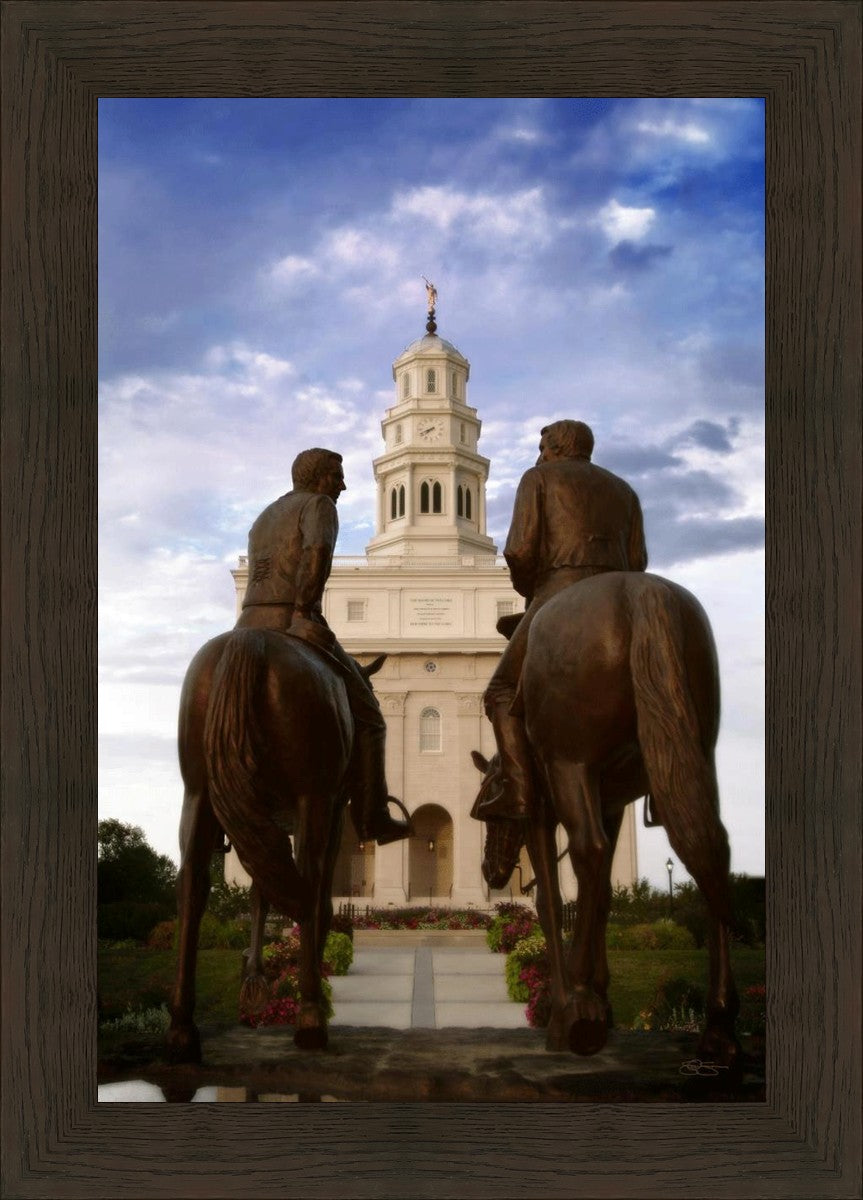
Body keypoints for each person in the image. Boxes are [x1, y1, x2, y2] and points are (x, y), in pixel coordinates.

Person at [236, 447, 413, 845]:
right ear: (318, 478)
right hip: (291, 621)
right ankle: (373, 816)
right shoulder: (319, 505)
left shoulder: (264, 515)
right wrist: (302, 614)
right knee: (370, 717)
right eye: (336, 476)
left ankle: (216, 817)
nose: (343, 485)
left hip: (246, 621)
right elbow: (316, 556)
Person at [478, 419, 648, 821]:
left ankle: (517, 790)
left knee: (500, 691)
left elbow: (519, 551)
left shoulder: (538, 478)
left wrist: (530, 592)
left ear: (554, 448)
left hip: (559, 588)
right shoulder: (624, 490)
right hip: (624, 598)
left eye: (543, 447)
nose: (540, 455)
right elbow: (639, 561)